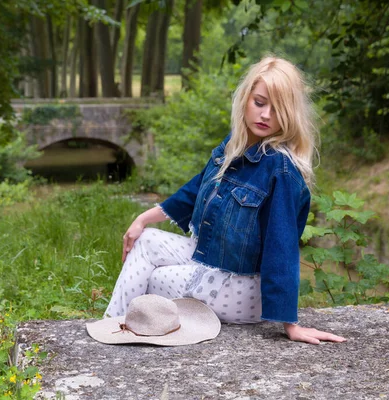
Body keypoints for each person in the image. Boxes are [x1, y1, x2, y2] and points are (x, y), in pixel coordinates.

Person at [104, 55, 346, 345]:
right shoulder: (234, 145)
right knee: (145, 241)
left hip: (239, 286)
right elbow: (195, 190)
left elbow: (281, 248)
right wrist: (142, 218)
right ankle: (111, 324)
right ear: (245, 100)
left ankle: (118, 329)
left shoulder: (281, 170)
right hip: (210, 257)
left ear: (290, 113)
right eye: (260, 102)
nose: (266, 115)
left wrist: (290, 324)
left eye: (277, 108)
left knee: (154, 280)